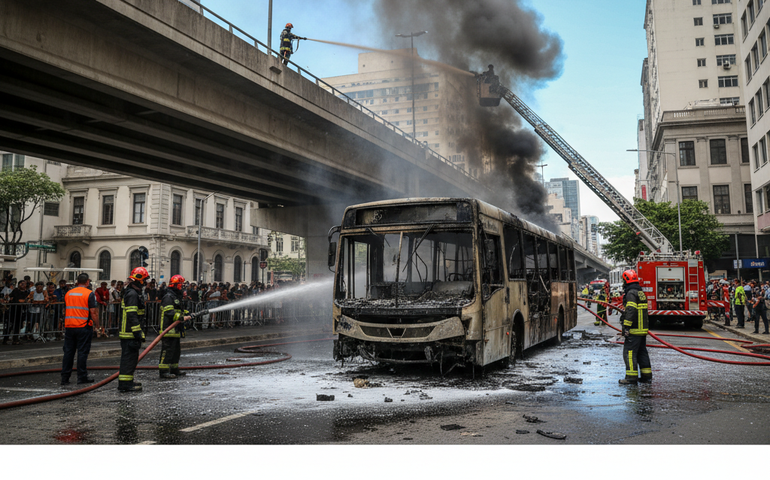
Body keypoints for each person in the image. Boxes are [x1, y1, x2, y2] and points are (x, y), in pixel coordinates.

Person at [61, 274, 99, 385]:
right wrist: (97, 325)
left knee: (68, 352)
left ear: (77, 282)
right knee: (82, 352)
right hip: (83, 326)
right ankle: (82, 377)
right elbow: (93, 312)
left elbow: (65, 309)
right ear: (87, 282)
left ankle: (65, 378)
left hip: (69, 326)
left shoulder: (69, 293)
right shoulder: (89, 293)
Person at [618, 269, 652, 385]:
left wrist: (626, 327)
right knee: (642, 352)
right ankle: (646, 376)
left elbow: (631, 310)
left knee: (629, 353)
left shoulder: (631, 293)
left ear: (626, 280)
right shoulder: (640, 292)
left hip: (634, 329)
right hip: (642, 329)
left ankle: (631, 378)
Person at [118, 267, 149, 392]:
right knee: (128, 359)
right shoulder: (132, 294)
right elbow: (132, 315)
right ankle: (125, 384)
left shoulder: (133, 293)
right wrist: (137, 332)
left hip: (130, 332)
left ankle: (128, 381)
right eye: (144, 280)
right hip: (129, 333)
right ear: (139, 280)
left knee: (131, 360)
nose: (145, 282)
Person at [158, 275, 192, 379]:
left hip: (176, 329)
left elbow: (178, 310)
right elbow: (169, 312)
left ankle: (174, 369)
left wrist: (186, 314)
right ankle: (164, 371)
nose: (182, 287)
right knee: (167, 351)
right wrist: (182, 317)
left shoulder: (175, 296)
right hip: (168, 329)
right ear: (176, 285)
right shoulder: (168, 297)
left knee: (176, 351)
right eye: (181, 285)